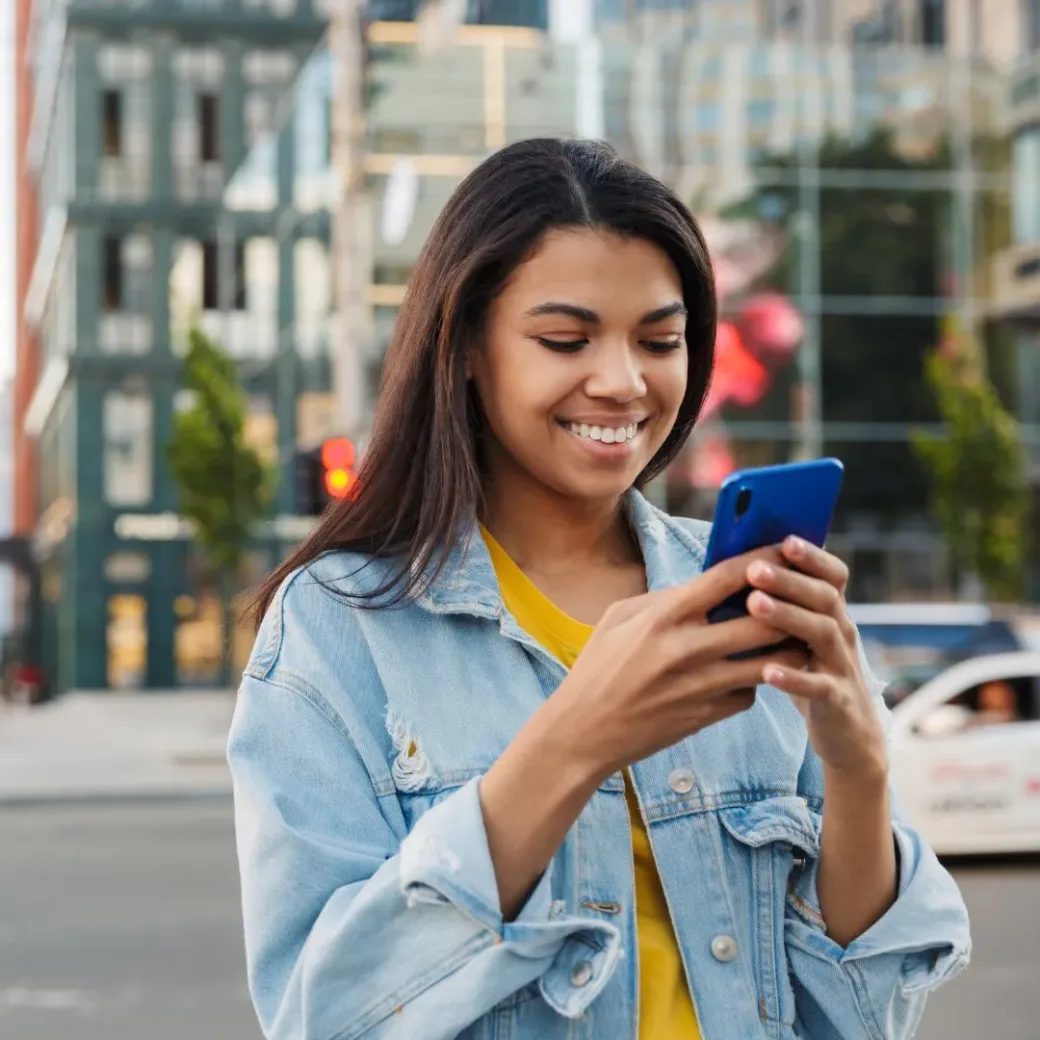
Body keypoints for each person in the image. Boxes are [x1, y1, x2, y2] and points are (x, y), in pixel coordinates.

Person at [228, 138, 970, 1040]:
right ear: (466, 346)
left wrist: (859, 768)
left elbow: (861, 1017)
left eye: (660, 340)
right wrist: (572, 745)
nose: (623, 382)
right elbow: (318, 1015)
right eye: (565, 339)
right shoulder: (339, 626)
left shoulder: (739, 588)